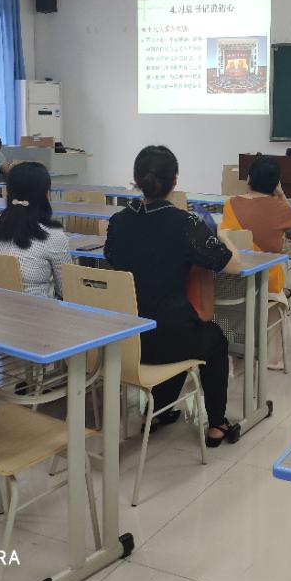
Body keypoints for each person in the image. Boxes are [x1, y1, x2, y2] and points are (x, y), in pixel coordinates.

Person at [104, 145, 243, 447]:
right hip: (168, 340)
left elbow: (112, 257)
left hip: (125, 339)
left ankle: (156, 413)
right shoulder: (186, 223)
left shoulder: (118, 221)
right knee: (213, 339)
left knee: (177, 328)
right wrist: (223, 236)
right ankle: (217, 424)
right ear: (175, 181)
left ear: (136, 180)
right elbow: (232, 265)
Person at [220, 155, 291, 369]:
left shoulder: (230, 203)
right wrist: (281, 194)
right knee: (276, 294)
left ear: (249, 178)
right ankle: (272, 359)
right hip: (266, 283)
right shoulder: (281, 209)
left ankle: (234, 346)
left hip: (231, 281)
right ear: (276, 183)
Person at [0, 162, 70, 298]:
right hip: (34, 309)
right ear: (45, 194)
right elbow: (66, 290)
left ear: (9, 192)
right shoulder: (53, 236)